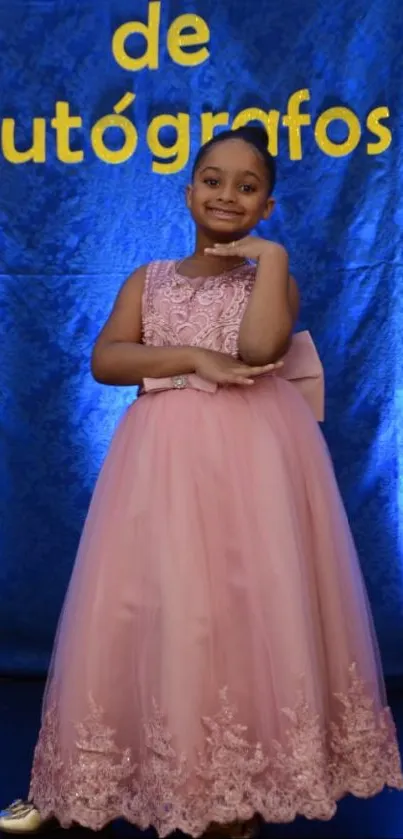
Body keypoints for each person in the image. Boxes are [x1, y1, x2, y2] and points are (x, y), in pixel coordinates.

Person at [1, 125, 402, 839]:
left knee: (246, 608)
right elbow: (107, 360)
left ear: (266, 205)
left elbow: (257, 348)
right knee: (159, 601)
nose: (226, 194)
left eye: (246, 186)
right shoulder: (147, 278)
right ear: (187, 190)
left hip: (253, 462)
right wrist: (190, 356)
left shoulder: (270, 279)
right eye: (211, 179)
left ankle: (233, 782)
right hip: (161, 461)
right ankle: (114, 773)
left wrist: (270, 260)